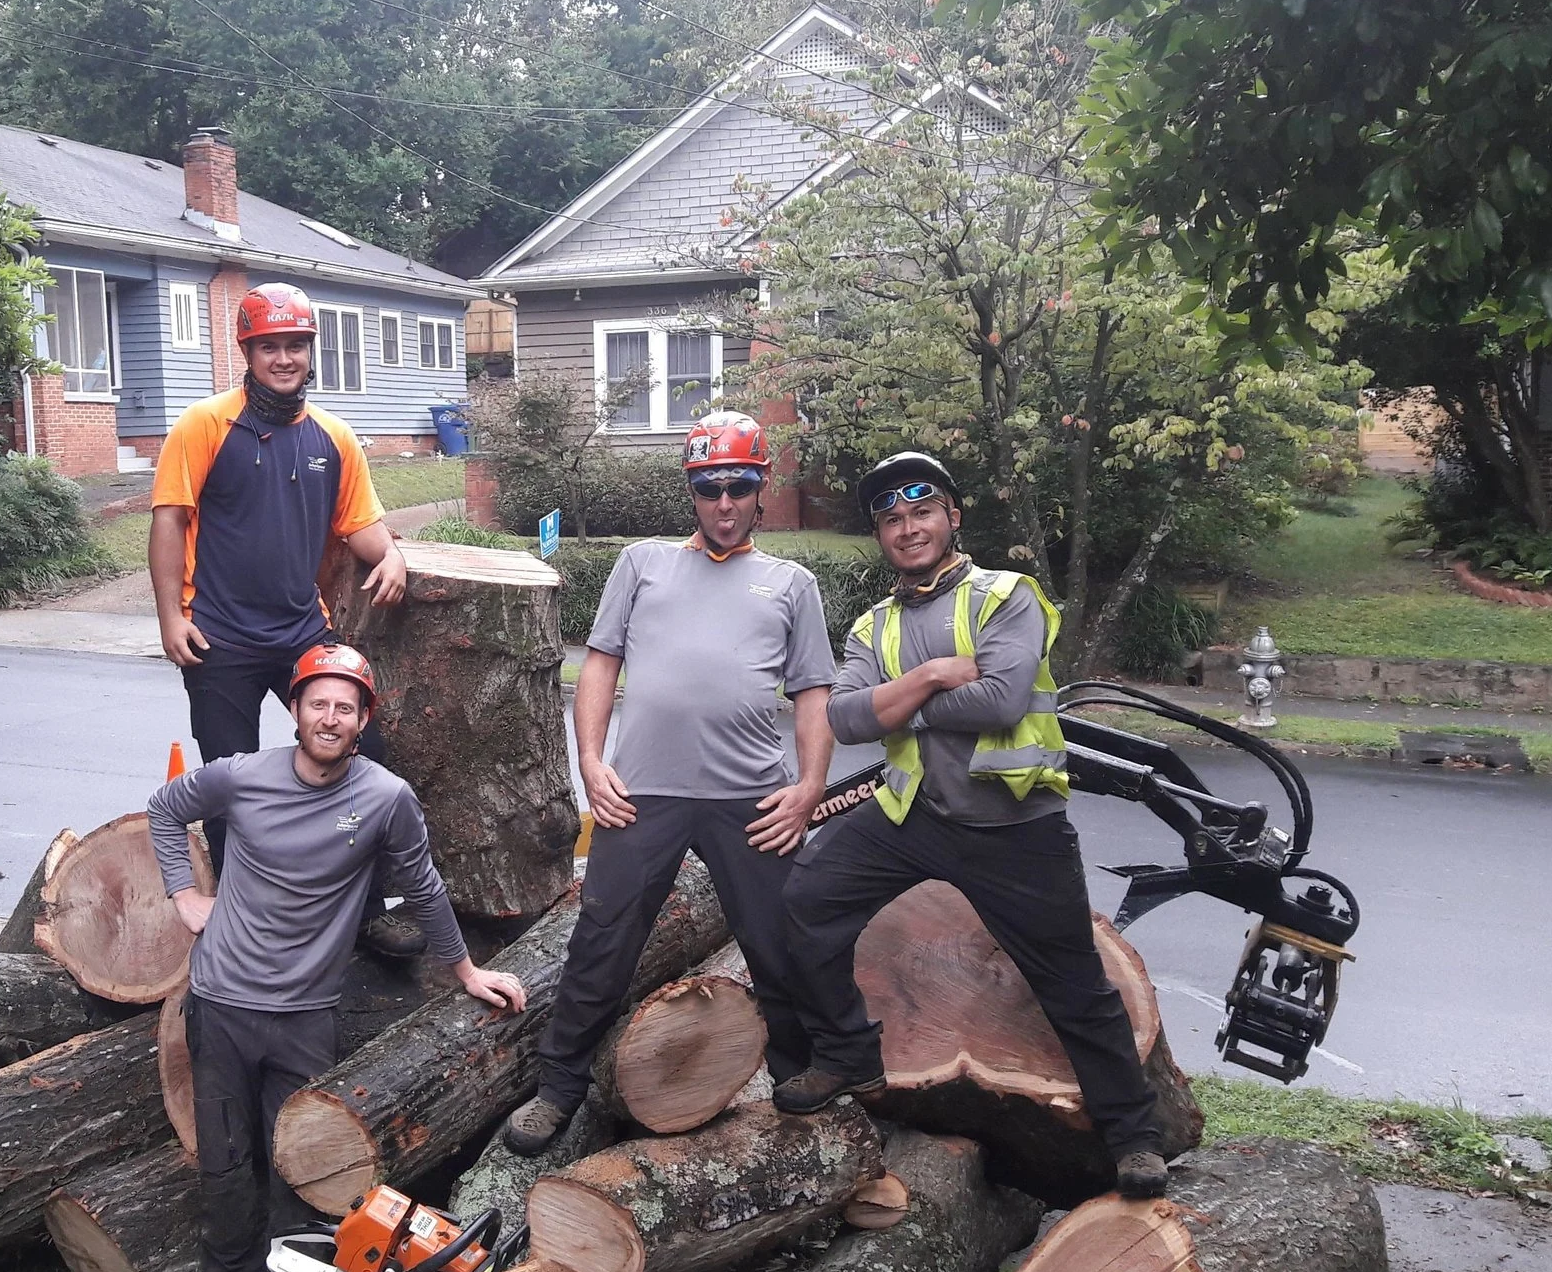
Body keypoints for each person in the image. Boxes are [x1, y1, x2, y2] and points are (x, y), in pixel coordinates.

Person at [768, 450, 1170, 1198]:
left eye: (922, 511)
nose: (908, 527)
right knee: (808, 900)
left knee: (1073, 980)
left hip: (1015, 823)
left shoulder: (1005, 597)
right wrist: (926, 677)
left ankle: (1134, 1137)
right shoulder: (876, 624)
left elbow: (1002, 701)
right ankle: (848, 1053)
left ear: (953, 515)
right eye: (891, 518)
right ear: (881, 534)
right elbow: (844, 717)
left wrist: (898, 701)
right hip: (912, 813)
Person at [147, 642, 526, 1272]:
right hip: (219, 1005)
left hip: (303, 1022)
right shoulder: (243, 775)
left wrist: (464, 974)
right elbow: (165, 807)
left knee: (304, 1188)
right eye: (317, 701)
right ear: (296, 709)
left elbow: (421, 885)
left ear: (362, 720)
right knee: (226, 1175)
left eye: (345, 706)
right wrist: (185, 895)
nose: (330, 716)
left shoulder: (385, 797)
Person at [501, 411, 835, 1156]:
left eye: (739, 487)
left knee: (779, 944)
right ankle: (558, 1086)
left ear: (760, 489)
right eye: (710, 487)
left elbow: (814, 692)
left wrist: (810, 784)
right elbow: (599, 663)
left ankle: (797, 1079)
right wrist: (591, 761)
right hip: (641, 791)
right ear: (692, 489)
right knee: (602, 940)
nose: (724, 503)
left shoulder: (791, 583)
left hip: (752, 797)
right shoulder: (640, 563)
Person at [150, 281, 420, 956]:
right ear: (248, 350)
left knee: (365, 757)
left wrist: (395, 558)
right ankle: (237, 918)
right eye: (270, 345)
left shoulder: (333, 436)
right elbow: (168, 521)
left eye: (295, 344)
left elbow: (363, 526)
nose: (284, 358)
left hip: (304, 631)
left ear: (310, 350)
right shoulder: (204, 425)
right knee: (227, 780)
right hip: (219, 635)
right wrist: (168, 619)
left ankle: (361, 915)